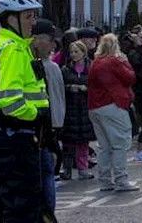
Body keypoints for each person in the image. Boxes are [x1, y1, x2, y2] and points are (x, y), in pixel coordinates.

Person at [0, 0, 49, 222]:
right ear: (11, 19)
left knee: (5, 203)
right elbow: (11, 100)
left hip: (0, 136)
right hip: (15, 136)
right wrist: (37, 114)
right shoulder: (12, 49)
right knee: (23, 206)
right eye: (28, 17)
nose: (33, 22)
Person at [88, 33, 138, 193]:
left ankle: (104, 180)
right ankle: (121, 180)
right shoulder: (115, 61)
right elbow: (130, 78)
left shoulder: (95, 62)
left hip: (95, 107)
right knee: (119, 144)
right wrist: (126, 62)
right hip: (113, 104)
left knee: (104, 146)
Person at [30, 19, 63, 212]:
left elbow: (57, 97)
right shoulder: (33, 64)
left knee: (47, 170)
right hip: (36, 126)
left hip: (45, 126)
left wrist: (56, 125)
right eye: (49, 40)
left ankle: (47, 213)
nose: (52, 45)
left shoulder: (50, 66)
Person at [59, 41, 94, 181]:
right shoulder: (65, 70)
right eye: (72, 52)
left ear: (83, 52)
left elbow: (95, 86)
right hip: (70, 109)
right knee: (68, 142)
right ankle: (66, 169)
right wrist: (70, 88)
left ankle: (83, 169)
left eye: (76, 52)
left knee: (83, 142)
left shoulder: (90, 68)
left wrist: (86, 89)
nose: (74, 55)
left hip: (85, 108)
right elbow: (60, 88)